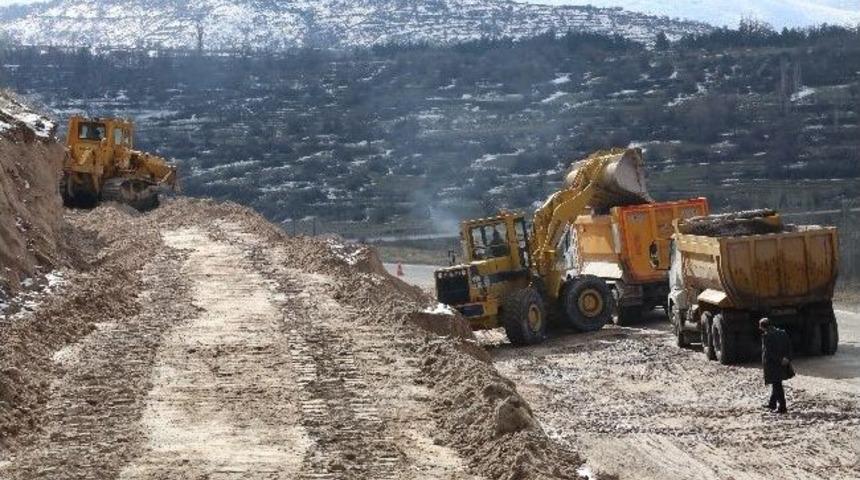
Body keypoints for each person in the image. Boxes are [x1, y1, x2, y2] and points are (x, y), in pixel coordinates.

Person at [760, 318, 794, 414]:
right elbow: (789, 346)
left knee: (777, 385)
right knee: (776, 383)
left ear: (763, 327)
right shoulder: (782, 333)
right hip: (783, 362)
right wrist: (787, 358)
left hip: (773, 364)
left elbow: (769, 352)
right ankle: (772, 403)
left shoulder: (767, 336)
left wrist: (779, 360)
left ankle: (782, 407)